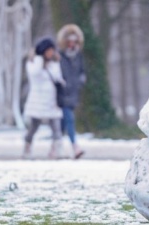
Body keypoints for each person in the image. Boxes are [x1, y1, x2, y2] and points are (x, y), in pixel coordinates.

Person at [22, 38, 65, 159]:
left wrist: (56, 62)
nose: (51, 53)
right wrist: (39, 59)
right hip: (37, 101)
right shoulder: (33, 63)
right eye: (49, 50)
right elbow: (35, 74)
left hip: (52, 101)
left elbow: (58, 78)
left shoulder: (53, 64)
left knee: (56, 127)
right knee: (34, 127)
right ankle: (27, 147)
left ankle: (57, 150)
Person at [57, 24, 86, 159]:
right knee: (69, 119)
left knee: (62, 123)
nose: (72, 44)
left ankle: (56, 147)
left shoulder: (78, 56)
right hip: (61, 95)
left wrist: (80, 81)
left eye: (75, 41)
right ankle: (75, 146)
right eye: (69, 41)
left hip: (74, 94)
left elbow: (81, 71)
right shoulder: (60, 56)